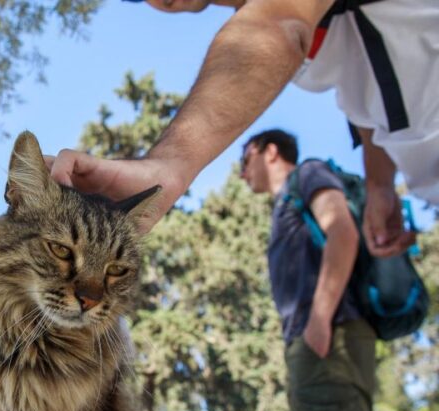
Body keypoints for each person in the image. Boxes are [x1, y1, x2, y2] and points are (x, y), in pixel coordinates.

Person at [48, 0, 437, 257]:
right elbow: (364, 94)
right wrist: (379, 185)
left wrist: (168, 166)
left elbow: (281, 23)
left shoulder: (279, 18)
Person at [240, 129, 376, 411]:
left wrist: (319, 321)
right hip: (314, 343)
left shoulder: (309, 174)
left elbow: (343, 231)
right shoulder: (285, 203)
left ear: (270, 152)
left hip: (328, 339)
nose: (241, 173)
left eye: (243, 160)